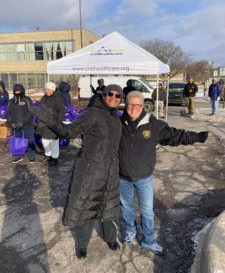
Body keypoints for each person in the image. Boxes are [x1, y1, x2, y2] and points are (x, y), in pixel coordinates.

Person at [31, 84, 123, 259]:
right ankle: (82, 244)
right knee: (86, 206)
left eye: (117, 95)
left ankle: (110, 237)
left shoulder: (117, 118)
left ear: (121, 99)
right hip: (91, 169)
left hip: (110, 170)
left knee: (108, 206)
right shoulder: (93, 113)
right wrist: (49, 120)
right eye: (110, 94)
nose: (113, 97)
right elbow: (69, 131)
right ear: (104, 95)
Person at [119, 91, 208, 255]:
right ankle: (129, 231)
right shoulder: (118, 122)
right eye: (130, 104)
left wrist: (197, 137)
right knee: (126, 208)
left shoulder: (154, 125)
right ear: (125, 104)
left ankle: (149, 240)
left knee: (146, 211)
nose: (133, 108)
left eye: (137, 105)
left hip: (144, 178)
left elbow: (175, 136)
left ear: (142, 106)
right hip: (123, 178)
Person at [36, 82, 65, 166]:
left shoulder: (58, 99)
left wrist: (58, 121)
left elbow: (62, 111)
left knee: (53, 142)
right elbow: (41, 110)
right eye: (46, 89)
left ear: (53, 89)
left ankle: (54, 158)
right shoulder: (44, 98)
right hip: (44, 123)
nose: (47, 91)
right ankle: (48, 155)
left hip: (54, 123)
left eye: (49, 89)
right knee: (45, 141)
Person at [7, 84, 35, 163]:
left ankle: (31, 155)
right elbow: (8, 113)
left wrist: (23, 122)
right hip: (15, 125)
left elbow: (30, 112)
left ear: (22, 91)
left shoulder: (27, 100)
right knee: (18, 140)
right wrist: (11, 122)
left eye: (19, 91)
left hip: (26, 124)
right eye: (16, 91)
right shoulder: (11, 101)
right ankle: (19, 155)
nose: (17, 92)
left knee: (30, 140)